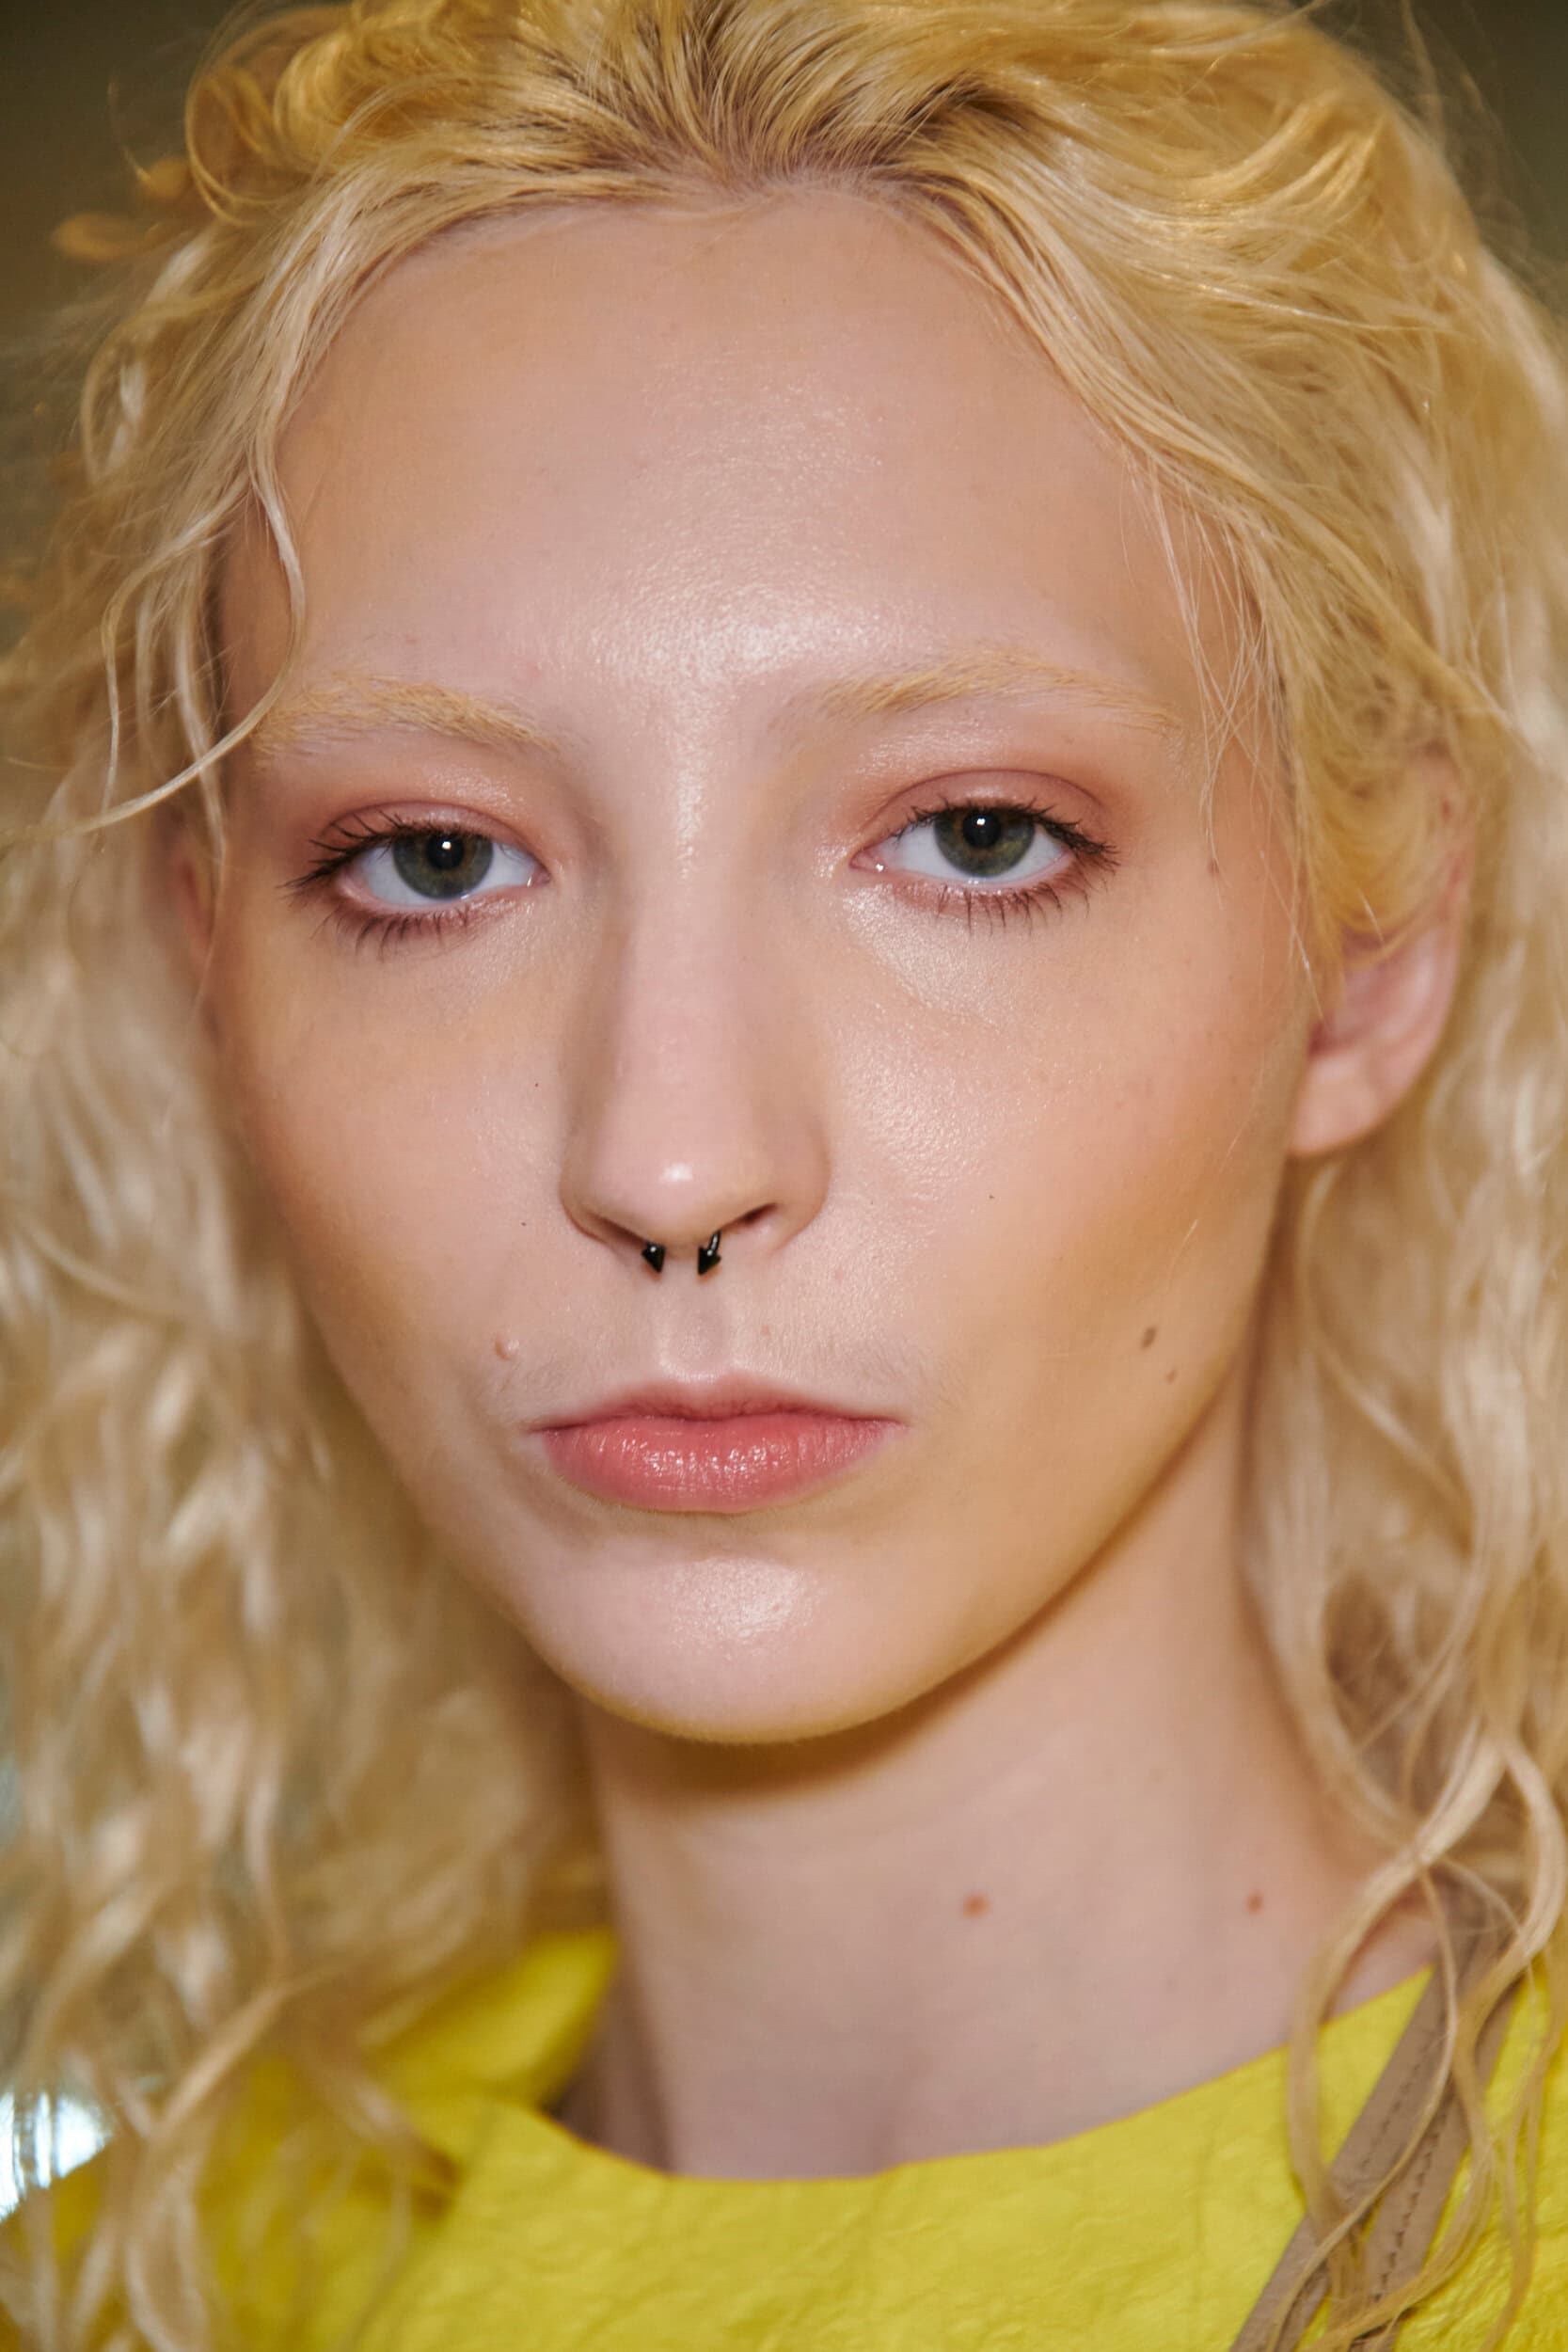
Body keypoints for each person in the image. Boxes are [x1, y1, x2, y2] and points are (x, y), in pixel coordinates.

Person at [5, 0, 1568, 2344]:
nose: (670, 1154)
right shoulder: (136, 2290)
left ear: (1369, 957)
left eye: (974, 836)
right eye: (435, 859)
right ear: (206, 966)